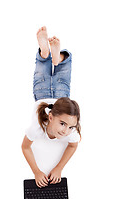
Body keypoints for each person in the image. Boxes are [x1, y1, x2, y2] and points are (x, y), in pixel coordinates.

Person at [21, 26, 81, 188]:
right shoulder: (39, 127)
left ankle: (46, 54)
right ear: (51, 116)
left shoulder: (43, 126)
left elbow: (26, 147)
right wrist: (36, 171)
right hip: (50, 93)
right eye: (63, 124)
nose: (66, 131)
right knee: (49, 70)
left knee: (58, 72)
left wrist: (58, 168)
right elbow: (25, 147)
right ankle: (54, 57)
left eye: (70, 127)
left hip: (58, 94)